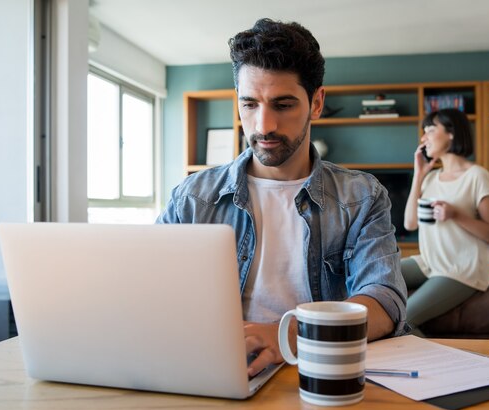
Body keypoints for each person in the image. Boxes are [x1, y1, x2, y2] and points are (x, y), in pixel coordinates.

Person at [156, 18, 407, 377]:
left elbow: (384, 302)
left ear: (316, 103)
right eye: (250, 105)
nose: (263, 125)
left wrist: (291, 334)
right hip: (219, 369)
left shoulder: (361, 197)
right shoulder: (192, 197)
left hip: (321, 370)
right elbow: (151, 290)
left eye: (283, 104)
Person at [402, 108, 489, 336]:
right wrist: (418, 174)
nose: (423, 138)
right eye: (423, 131)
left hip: (461, 269)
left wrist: (456, 216)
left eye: (430, 130)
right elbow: (410, 224)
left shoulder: (477, 176)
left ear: (451, 134)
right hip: (430, 262)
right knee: (376, 275)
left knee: (405, 318)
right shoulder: (431, 177)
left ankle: (440, 369)